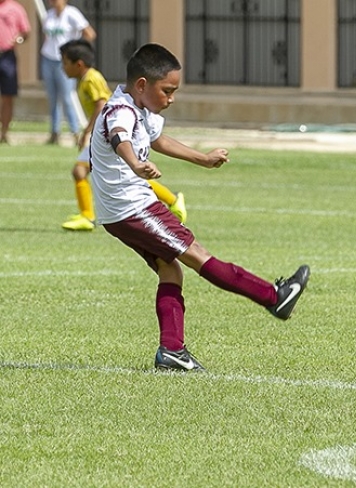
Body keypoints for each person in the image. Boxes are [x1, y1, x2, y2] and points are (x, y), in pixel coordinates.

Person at [89, 43, 310, 371]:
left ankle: (172, 351)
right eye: (168, 90)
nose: (172, 98)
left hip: (118, 212)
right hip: (133, 208)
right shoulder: (120, 110)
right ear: (142, 85)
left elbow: (157, 140)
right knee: (197, 255)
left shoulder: (142, 109)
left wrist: (203, 159)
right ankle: (274, 298)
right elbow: (120, 137)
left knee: (170, 269)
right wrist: (135, 164)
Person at [59, 39, 187, 231]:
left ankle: (87, 216)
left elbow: (101, 103)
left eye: (65, 62)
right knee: (123, 175)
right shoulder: (84, 79)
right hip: (106, 131)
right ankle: (172, 198)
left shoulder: (91, 79)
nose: (62, 67)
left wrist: (88, 131)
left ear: (78, 64)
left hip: (105, 132)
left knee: (80, 171)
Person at [40, 0, 95, 145]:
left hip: (64, 62)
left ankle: (75, 132)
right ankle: (54, 132)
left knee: (67, 97)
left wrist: (78, 51)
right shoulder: (49, 15)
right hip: (48, 58)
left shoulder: (72, 13)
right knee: (53, 97)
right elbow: (47, 35)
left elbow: (89, 33)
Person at [0, 0, 30, 144]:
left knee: (8, 96)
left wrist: (18, 39)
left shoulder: (16, 8)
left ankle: (4, 133)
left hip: (6, 55)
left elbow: (25, 32)